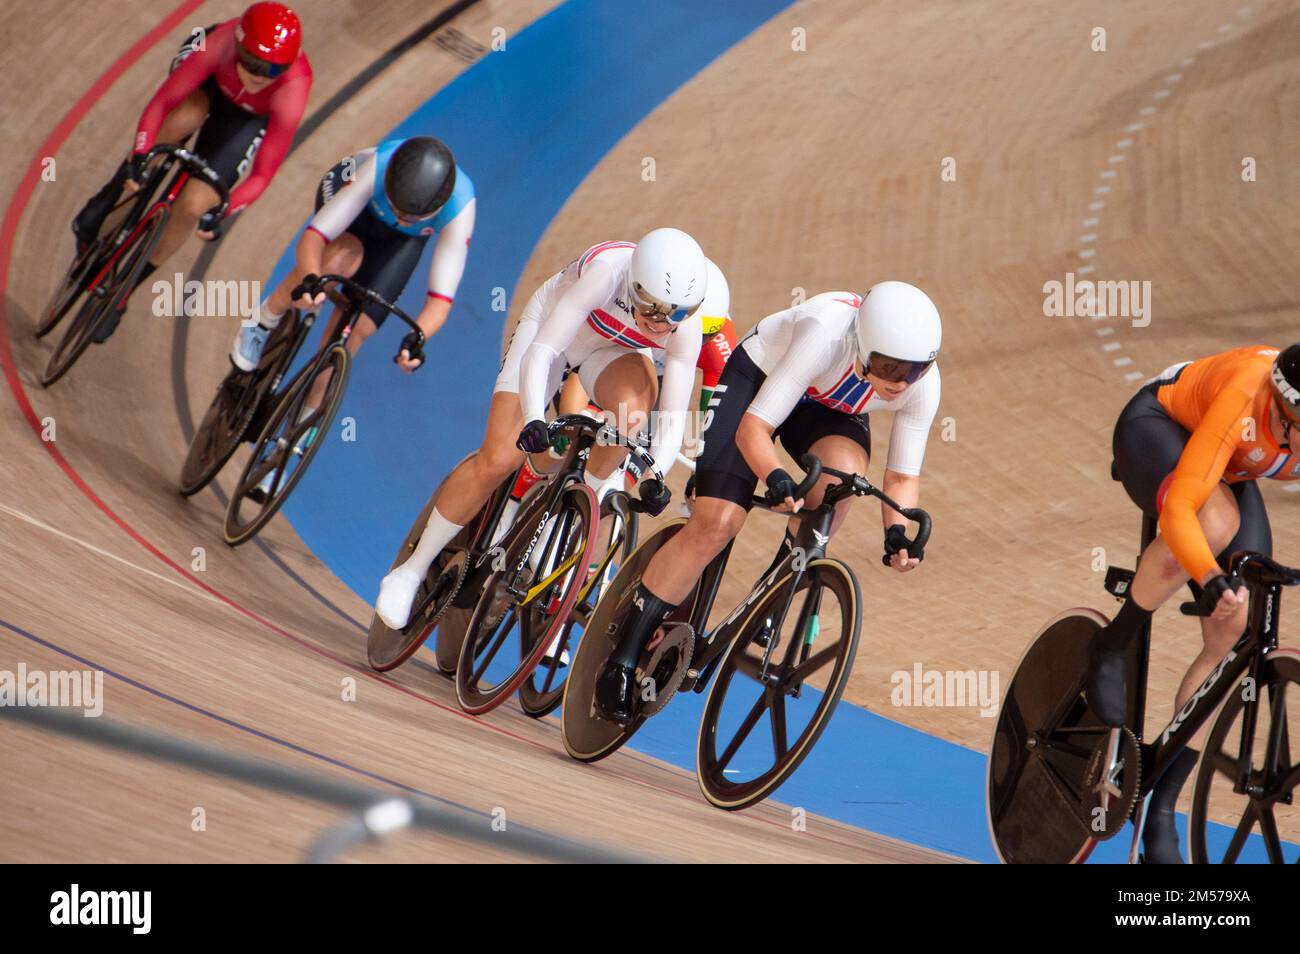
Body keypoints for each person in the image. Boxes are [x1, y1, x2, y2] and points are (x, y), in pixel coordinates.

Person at [594, 281, 943, 722]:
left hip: (826, 405)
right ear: (862, 347)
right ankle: (623, 655)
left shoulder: (922, 384)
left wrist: (896, 531)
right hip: (758, 380)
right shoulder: (826, 332)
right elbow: (753, 430)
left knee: (845, 483)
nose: (899, 382)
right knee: (718, 523)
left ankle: (778, 585)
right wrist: (774, 477)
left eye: (912, 371)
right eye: (889, 367)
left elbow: (901, 476)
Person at [374, 228, 711, 631]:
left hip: (612, 351)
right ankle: (411, 570)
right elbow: (544, 350)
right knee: (500, 457)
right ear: (635, 286)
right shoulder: (606, 274)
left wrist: (656, 472)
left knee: (632, 417)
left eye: (678, 313)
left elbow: (672, 416)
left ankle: (567, 510)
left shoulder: (684, 326)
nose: (664, 325)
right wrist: (535, 417)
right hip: (550, 334)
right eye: (654, 311)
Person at [1087, 343, 1300, 863]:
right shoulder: (1245, 395)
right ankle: (1112, 644)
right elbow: (1182, 508)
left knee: (1236, 627)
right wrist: (1206, 575)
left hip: (1226, 469)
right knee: (1212, 525)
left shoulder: (1289, 418)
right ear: (1286, 410)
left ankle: (1161, 805)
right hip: (1157, 427)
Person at [230, 135, 474, 500]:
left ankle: (286, 447)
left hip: (398, 246)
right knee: (332, 264)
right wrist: (312, 278)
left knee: (355, 331)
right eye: (398, 208)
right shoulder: (376, 170)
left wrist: (417, 338)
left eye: (412, 215)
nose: (402, 217)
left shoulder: (460, 207)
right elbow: (315, 236)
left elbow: (441, 298)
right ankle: (263, 319)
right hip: (350, 209)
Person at [71, 3, 312, 343]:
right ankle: (110, 199)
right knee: (180, 121)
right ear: (239, 47)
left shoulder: (293, 90)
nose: (259, 76)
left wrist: (222, 212)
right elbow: (161, 104)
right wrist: (140, 155)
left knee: (194, 205)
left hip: (244, 121)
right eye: (254, 63)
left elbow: (262, 175)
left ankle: (124, 292)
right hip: (207, 82)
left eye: (272, 71)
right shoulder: (218, 43)